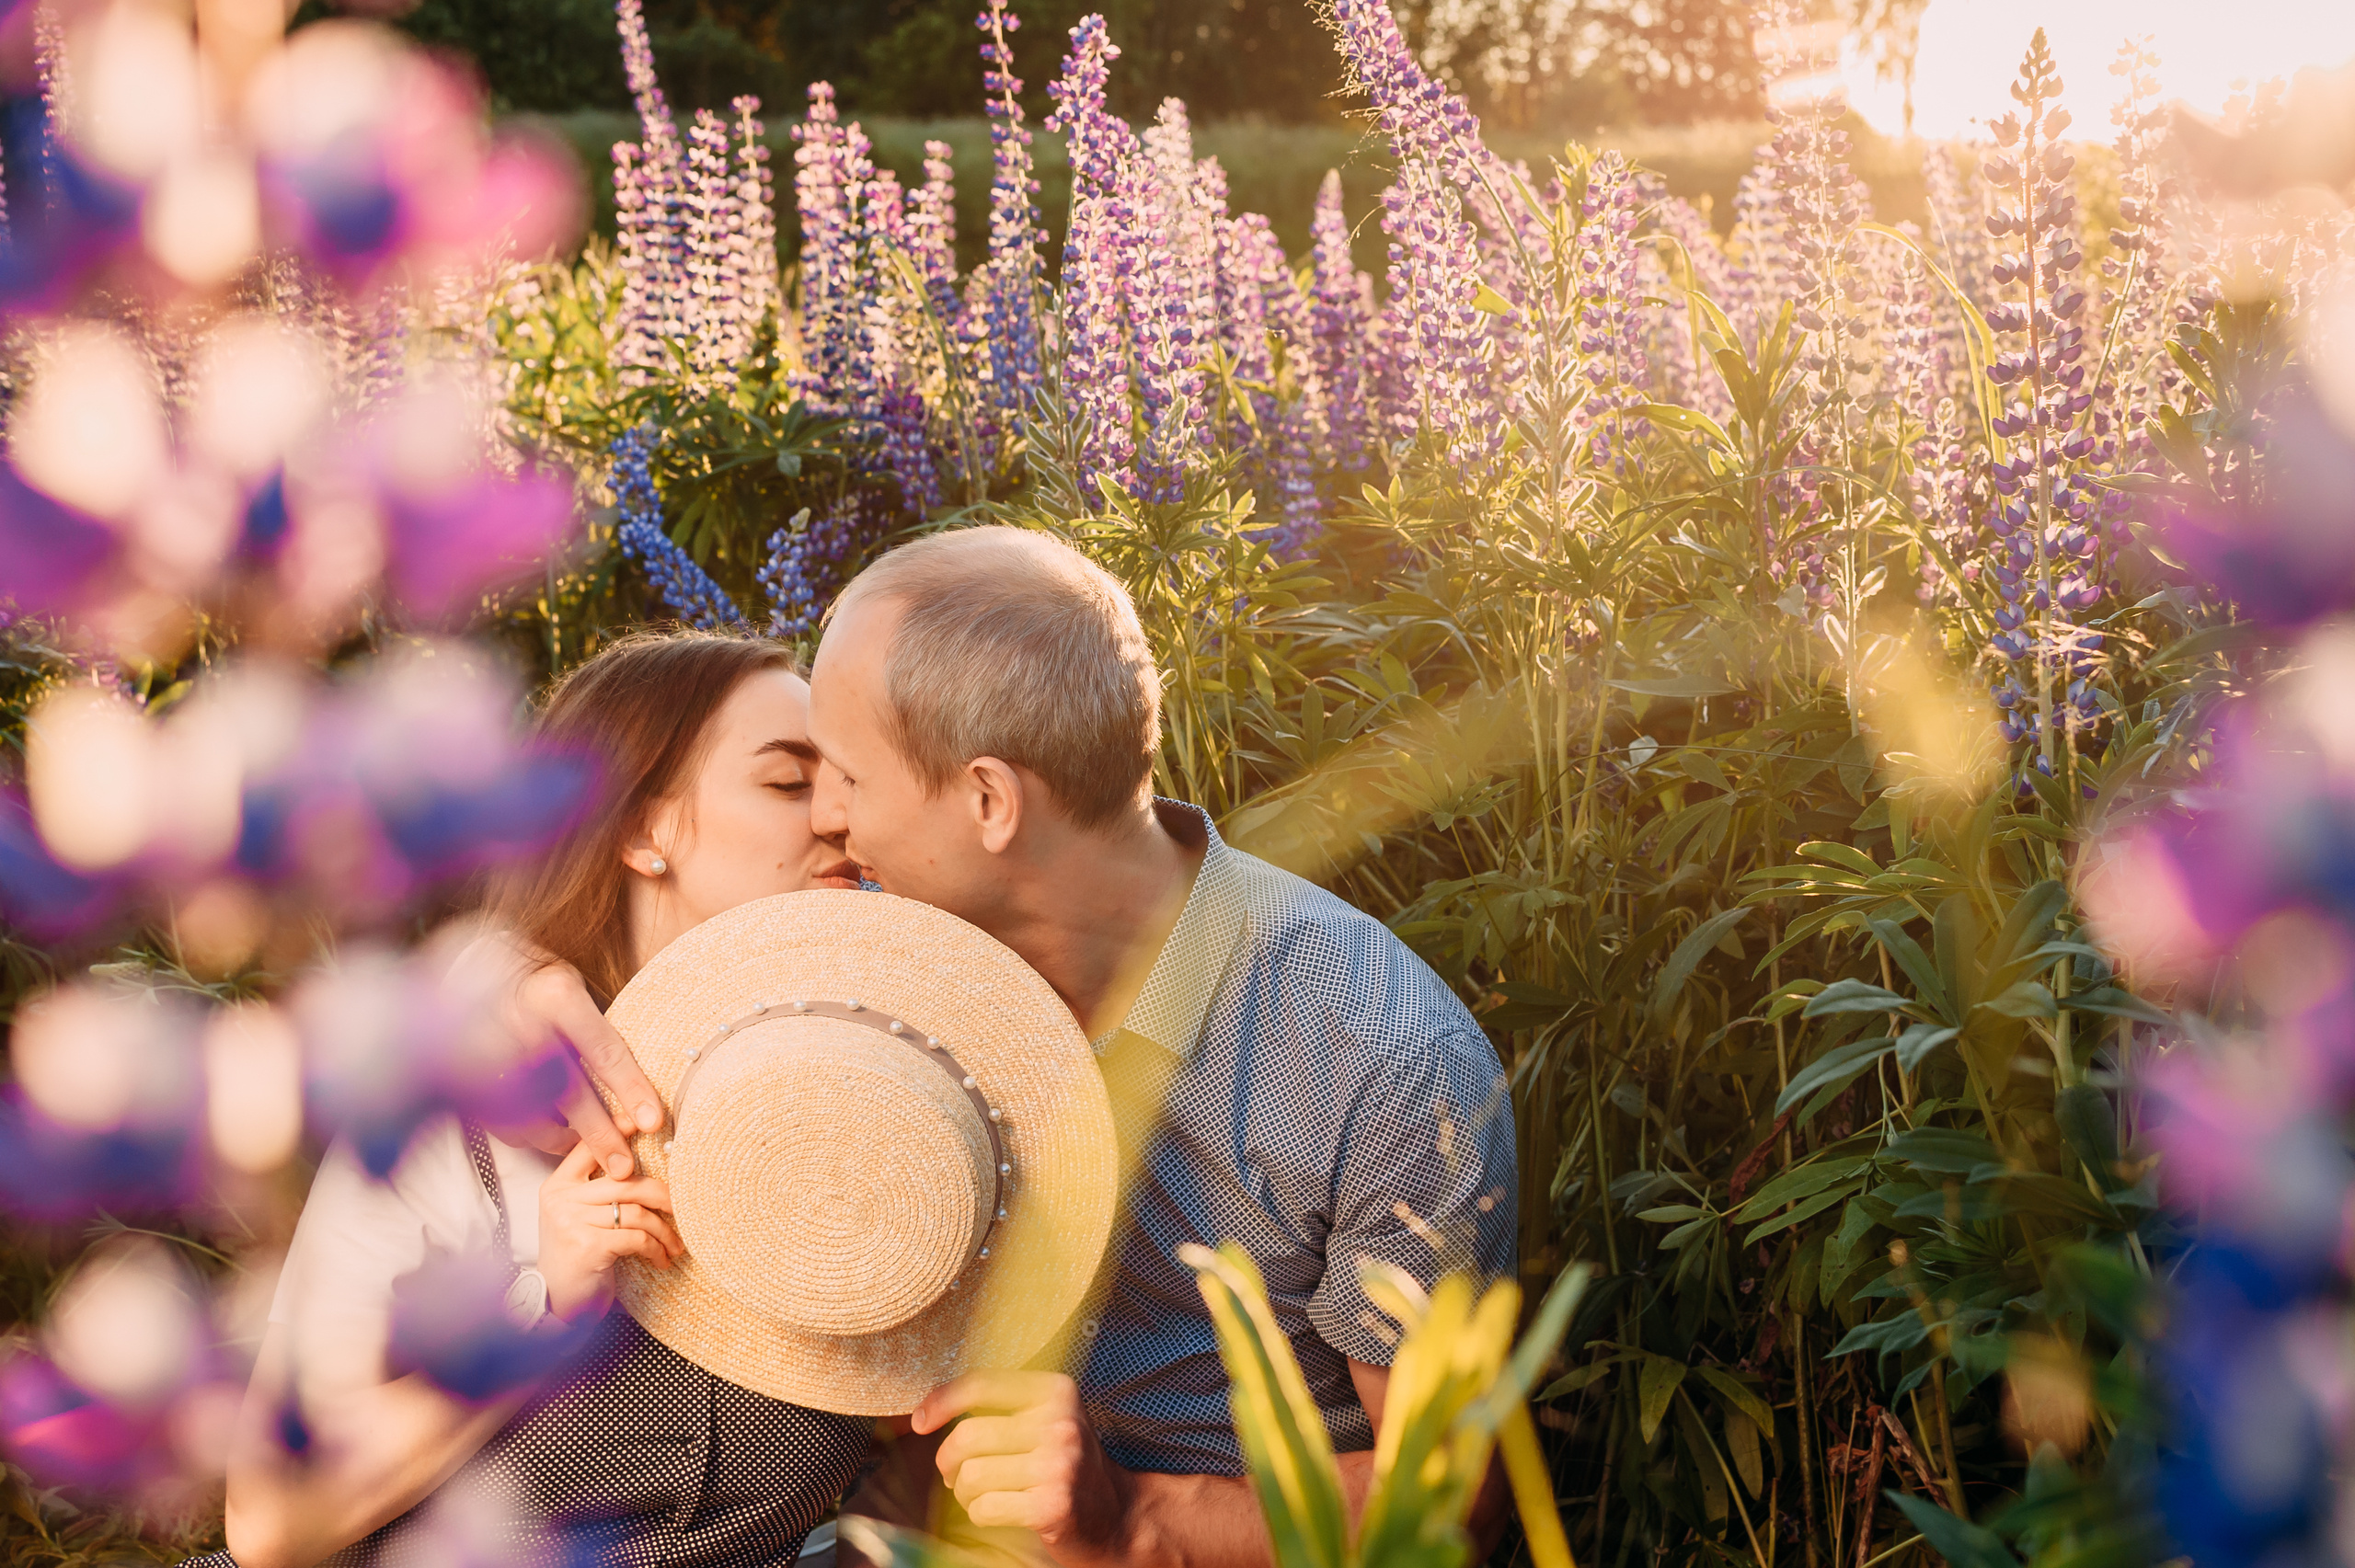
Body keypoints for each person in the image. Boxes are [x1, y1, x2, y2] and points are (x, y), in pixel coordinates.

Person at [516, 529, 1521, 1568]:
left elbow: (1446, 1499)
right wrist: (507, 969)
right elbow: (597, 918)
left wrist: (1132, 1516)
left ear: (989, 802)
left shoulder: (1380, 1058)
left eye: (848, 776)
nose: (825, 816)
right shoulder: (888, 950)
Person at [208, 631, 874, 1568]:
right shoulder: (452, 1109)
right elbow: (271, 1523)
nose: (839, 817)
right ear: (645, 830)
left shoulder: (888, 1127)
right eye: (787, 782)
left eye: (846, 784)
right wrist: (543, 1315)